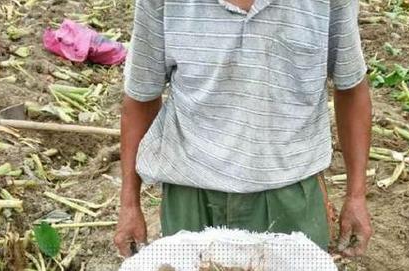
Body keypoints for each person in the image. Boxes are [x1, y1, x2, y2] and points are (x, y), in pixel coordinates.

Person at [114, 0, 372, 257]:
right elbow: (141, 99)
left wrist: (356, 196)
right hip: (191, 194)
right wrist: (129, 204)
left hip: (289, 195)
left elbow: (351, 89)